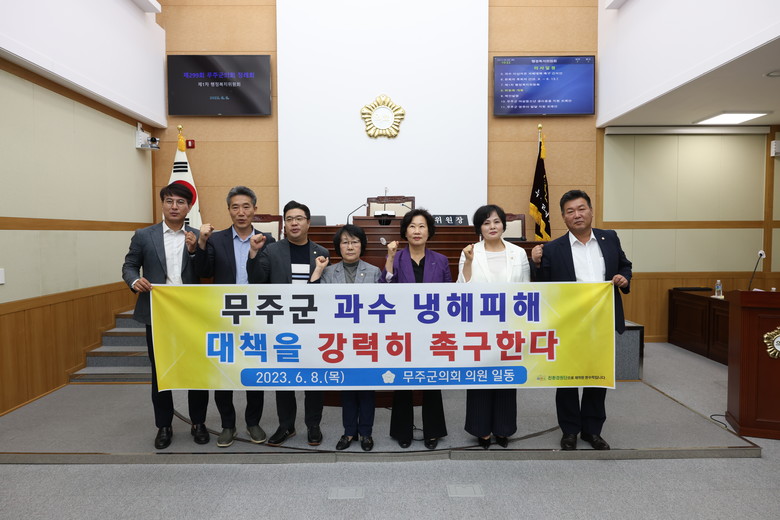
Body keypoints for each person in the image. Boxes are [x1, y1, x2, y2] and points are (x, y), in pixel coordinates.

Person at [531, 190, 632, 451]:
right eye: (570, 211)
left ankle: (592, 430)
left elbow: (625, 265)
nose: (577, 215)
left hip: (602, 321)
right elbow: (544, 287)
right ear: (563, 217)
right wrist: (536, 264)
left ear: (590, 211)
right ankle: (569, 431)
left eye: (581, 208)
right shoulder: (553, 248)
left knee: (597, 377)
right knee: (566, 379)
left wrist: (624, 278)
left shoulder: (609, 238)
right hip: (568, 324)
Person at [121, 182, 210, 449]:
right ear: (162, 204)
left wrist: (194, 251)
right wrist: (134, 280)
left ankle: (198, 422)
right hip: (158, 313)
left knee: (197, 370)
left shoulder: (198, 236)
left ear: (189, 207)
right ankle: (164, 426)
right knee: (161, 371)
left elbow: (206, 272)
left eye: (180, 202)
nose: (174, 206)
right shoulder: (144, 235)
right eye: (169, 201)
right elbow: (129, 265)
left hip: (191, 316)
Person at [193, 186, 275, 448]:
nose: (241, 212)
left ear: (255, 209)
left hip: (255, 314)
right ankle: (227, 425)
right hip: (224, 314)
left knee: (254, 370)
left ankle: (253, 422)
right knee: (224, 371)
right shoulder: (216, 239)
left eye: (246, 206)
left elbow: (268, 277)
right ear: (229, 210)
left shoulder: (267, 240)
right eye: (235, 207)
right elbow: (204, 272)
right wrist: (201, 243)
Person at [246, 200, 329, 447]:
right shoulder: (272, 250)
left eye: (299, 218)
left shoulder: (321, 252)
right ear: (284, 224)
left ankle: (313, 425)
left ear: (308, 223)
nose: (294, 223)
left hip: (312, 325)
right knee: (284, 378)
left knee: (314, 377)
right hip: (282, 325)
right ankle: (286, 425)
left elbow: (327, 293)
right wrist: (253, 254)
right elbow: (257, 282)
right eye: (290, 219)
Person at [458, 204, 531, 449]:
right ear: (479, 228)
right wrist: (468, 262)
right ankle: (481, 430)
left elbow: (526, 289)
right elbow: (462, 290)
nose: (492, 227)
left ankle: (503, 429)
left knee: (506, 377)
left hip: (509, 326)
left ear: (504, 225)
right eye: (486, 222)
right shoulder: (470, 252)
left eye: (496, 221)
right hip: (480, 326)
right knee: (480, 378)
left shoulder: (518, 253)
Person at [381, 208, 451, 449]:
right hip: (403, 329)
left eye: (422, 226)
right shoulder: (397, 257)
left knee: (431, 380)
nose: (417, 231)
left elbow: (449, 295)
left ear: (429, 231)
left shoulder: (440, 260)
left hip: (432, 330)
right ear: (405, 232)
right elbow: (384, 289)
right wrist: (390, 258)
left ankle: (433, 431)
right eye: (412, 226)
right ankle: (403, 430)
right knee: (403, 381)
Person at [310, 224, 381, 451]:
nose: (350, 247)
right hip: (340, 339)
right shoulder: (329, 272)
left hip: (366, 338)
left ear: (362, 245)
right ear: (338, 247)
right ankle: (349, 432)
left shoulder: (374, 272)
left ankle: (366, 433)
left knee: (367, 388)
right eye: (345, 242)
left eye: (355, 242)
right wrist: (318, 270)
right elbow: (314, 299)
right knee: (348, 387)